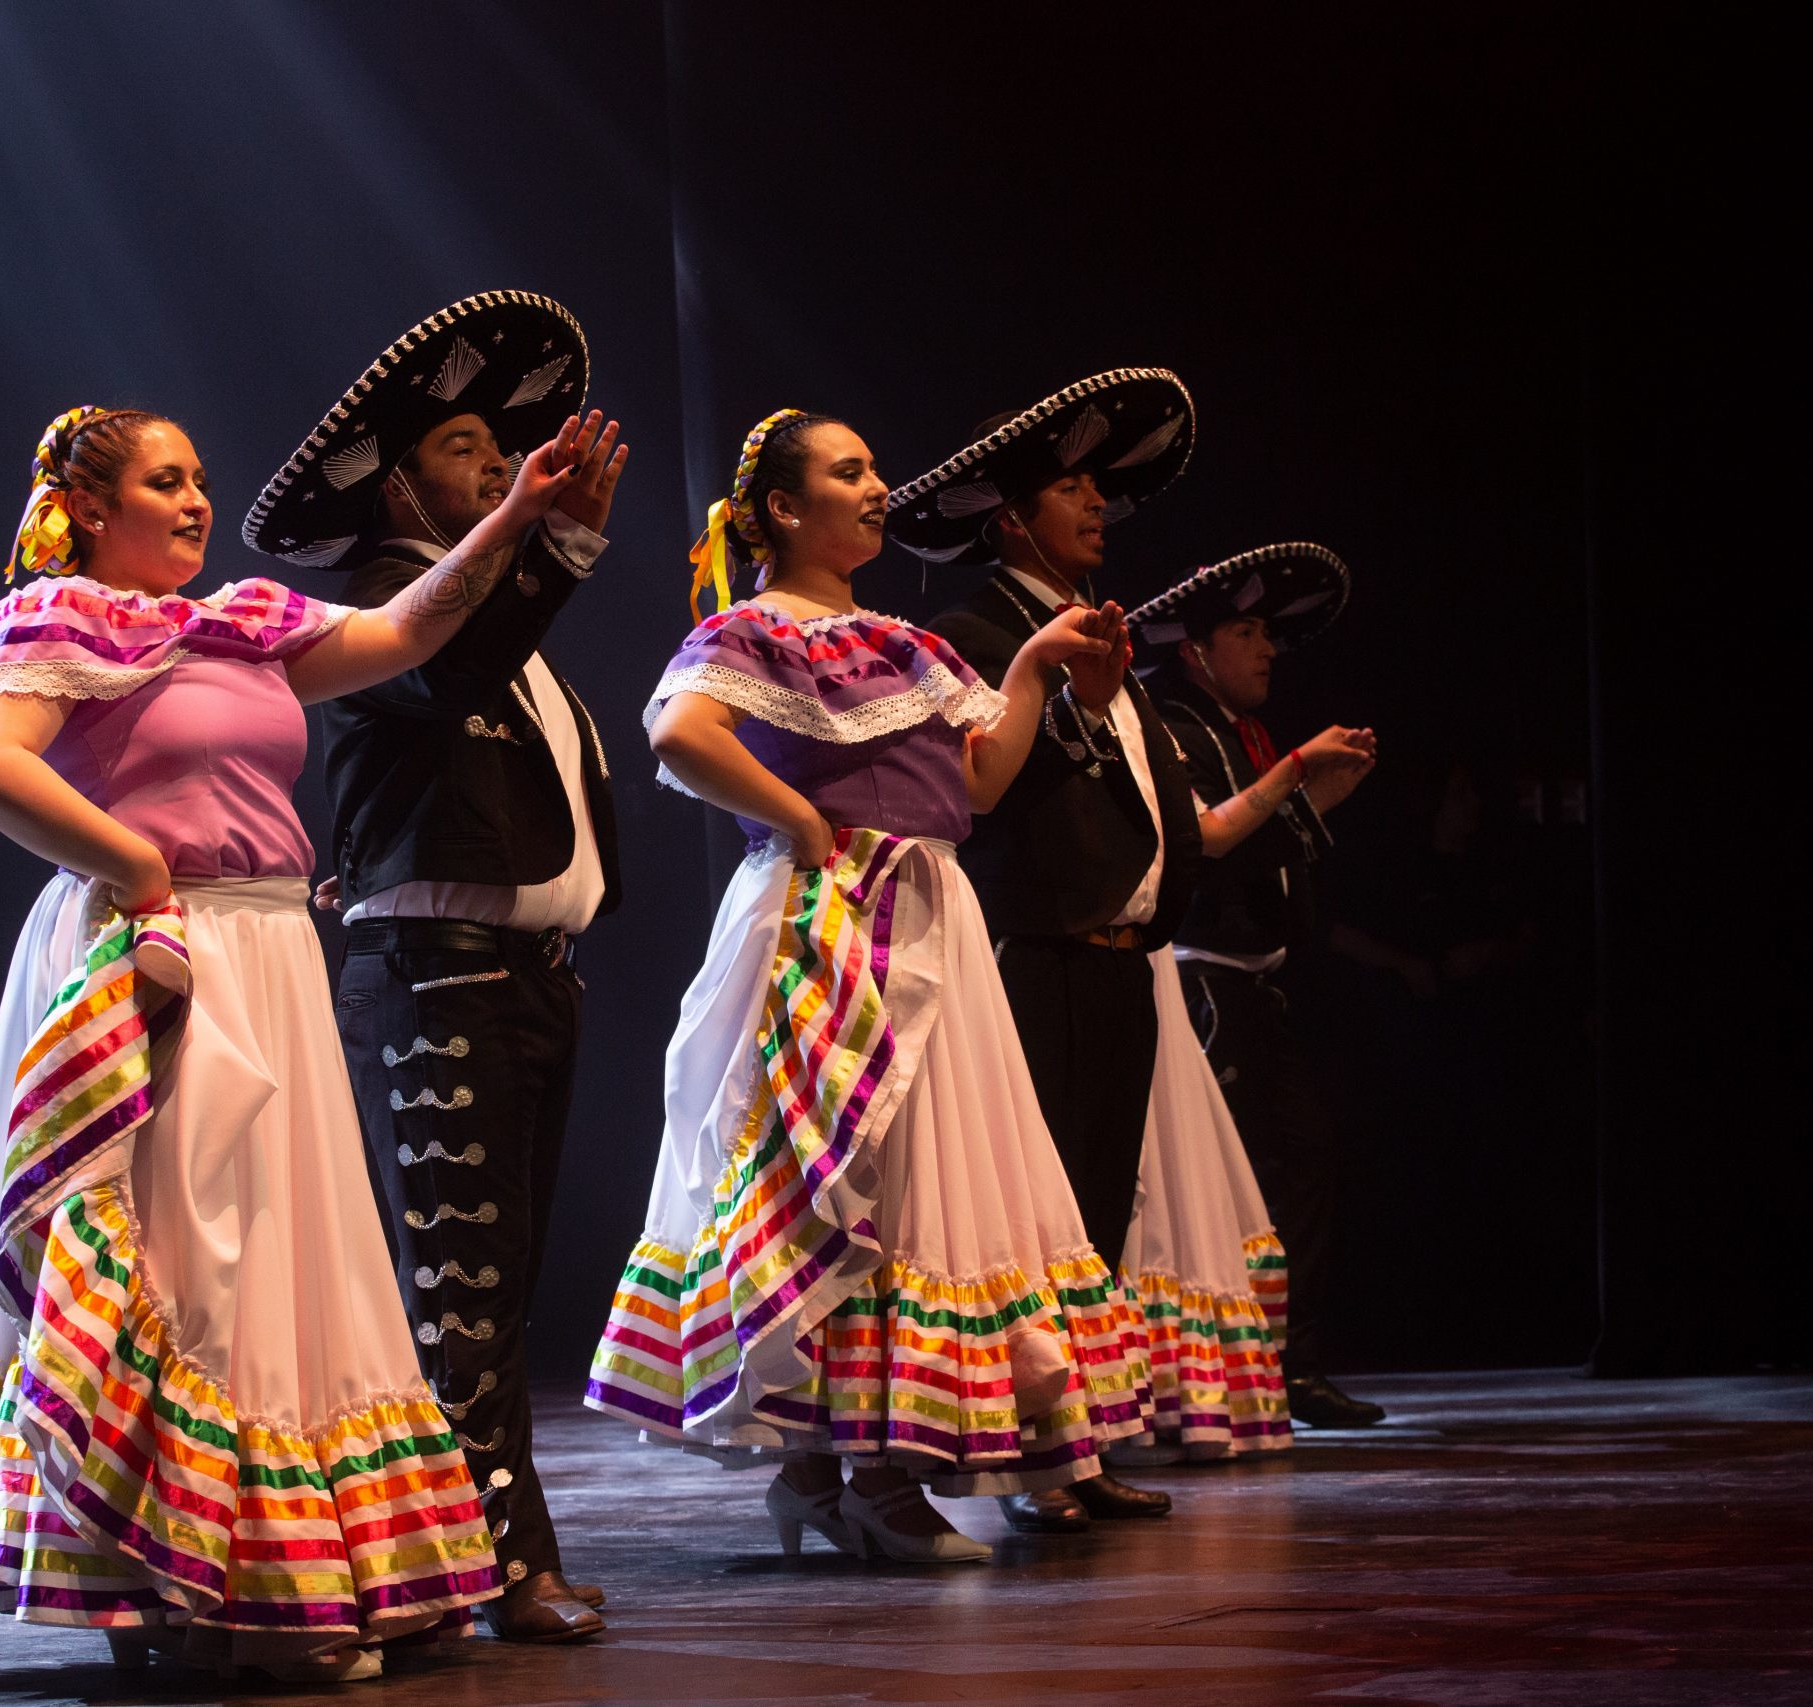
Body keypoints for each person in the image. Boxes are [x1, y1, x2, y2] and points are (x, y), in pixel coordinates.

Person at [0, 403, 603, 1682]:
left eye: (200, 477)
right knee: (186, 1255)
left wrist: (513, 519)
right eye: (166, 482)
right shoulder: (54, 621)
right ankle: (181, 1584)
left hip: (268, 952)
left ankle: (273, 1569)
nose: (197, 499)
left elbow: (403, 632)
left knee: (281, 1259)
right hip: (155, 952)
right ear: (94, 510)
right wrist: (136, 864)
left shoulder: (241, 624)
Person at [586, 409, 1150, 1565]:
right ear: (786, 509)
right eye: (851, 471)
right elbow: (679, 733)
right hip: (830, 919)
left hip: (929, 921)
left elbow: (981, 782)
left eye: (873, 465)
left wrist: (1035, 665)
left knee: (919, 1178)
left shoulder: (907, 644)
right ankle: (857, 1480)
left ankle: (841, 1473)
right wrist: (797, 820)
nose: (879, 486)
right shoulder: (757, 630)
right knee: (843, 1174)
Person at [245, 290, 627, 1642]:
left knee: (499, 1282)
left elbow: (484, 658)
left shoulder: (482, 615)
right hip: (435, 972)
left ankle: (470, 1549)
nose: (490, 460)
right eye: (464, 445)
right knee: (460, 1283)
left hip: (521, 971)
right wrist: (540, 534)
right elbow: (446, 663)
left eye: (490, 446)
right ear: (400, 475)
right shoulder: (358, 600)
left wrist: (543, 537)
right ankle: (498, 1561)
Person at [891, 369, 1201, 1533]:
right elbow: (979, 792)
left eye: (1099, 492)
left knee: (1099, 1216)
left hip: (1117, 961)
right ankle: (1036, 1459)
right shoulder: (974, 633)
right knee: (1045, 1214)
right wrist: (1062, 690)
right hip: (1039, 957)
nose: (1098, 509)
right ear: (1011, 519)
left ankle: (1087, 1441)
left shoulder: (1097, 635)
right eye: (1072, 490)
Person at [1127, 541, 1387, 1429]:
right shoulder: (1171, 721)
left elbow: (1263, 845)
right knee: (1229, 1180)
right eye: (1247, 630)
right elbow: (1202, 844)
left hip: (1251, 989)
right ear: (1197, 647)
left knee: (1299, 1159)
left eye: (1270, 632)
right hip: (1202, 985)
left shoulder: (1237, 731)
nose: (1268, 648)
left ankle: (1283, 1363)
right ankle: (1240, 1370)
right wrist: (1298, 780)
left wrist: (1312, 796)